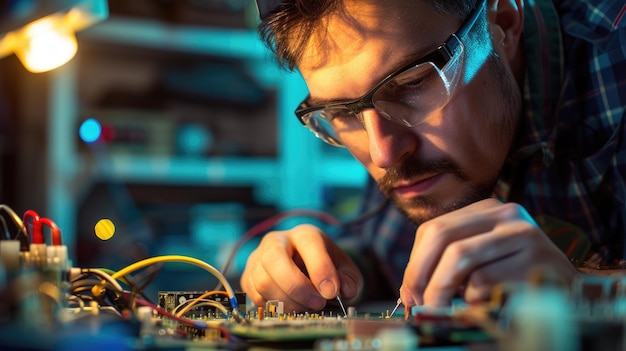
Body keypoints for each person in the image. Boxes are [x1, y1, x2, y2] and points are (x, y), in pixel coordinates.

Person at [240, 0, 626, 312]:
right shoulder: (407, 145)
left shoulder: (616, 56)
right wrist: (327, 271)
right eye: (343, 113)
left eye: (411, 85)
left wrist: (587, 295)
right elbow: (385, 256)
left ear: (504, 23)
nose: (384, 153)